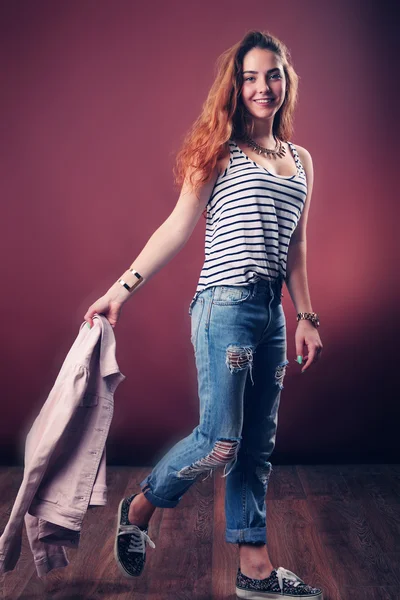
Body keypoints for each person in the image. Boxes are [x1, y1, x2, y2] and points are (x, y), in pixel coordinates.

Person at [84, 30, 324, 600]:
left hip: (270, 313)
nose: (263, 86)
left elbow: (296, 249)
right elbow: (175, 227)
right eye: (250, 77)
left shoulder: (301, 160)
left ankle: (254, 569)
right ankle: (139, 507)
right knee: (221, 441)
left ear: (286, 81)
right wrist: (122, 288)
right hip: (226, 304)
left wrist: (307, 315)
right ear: (235, 88)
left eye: (273, 75)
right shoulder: (219, 152)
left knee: (256, 443)